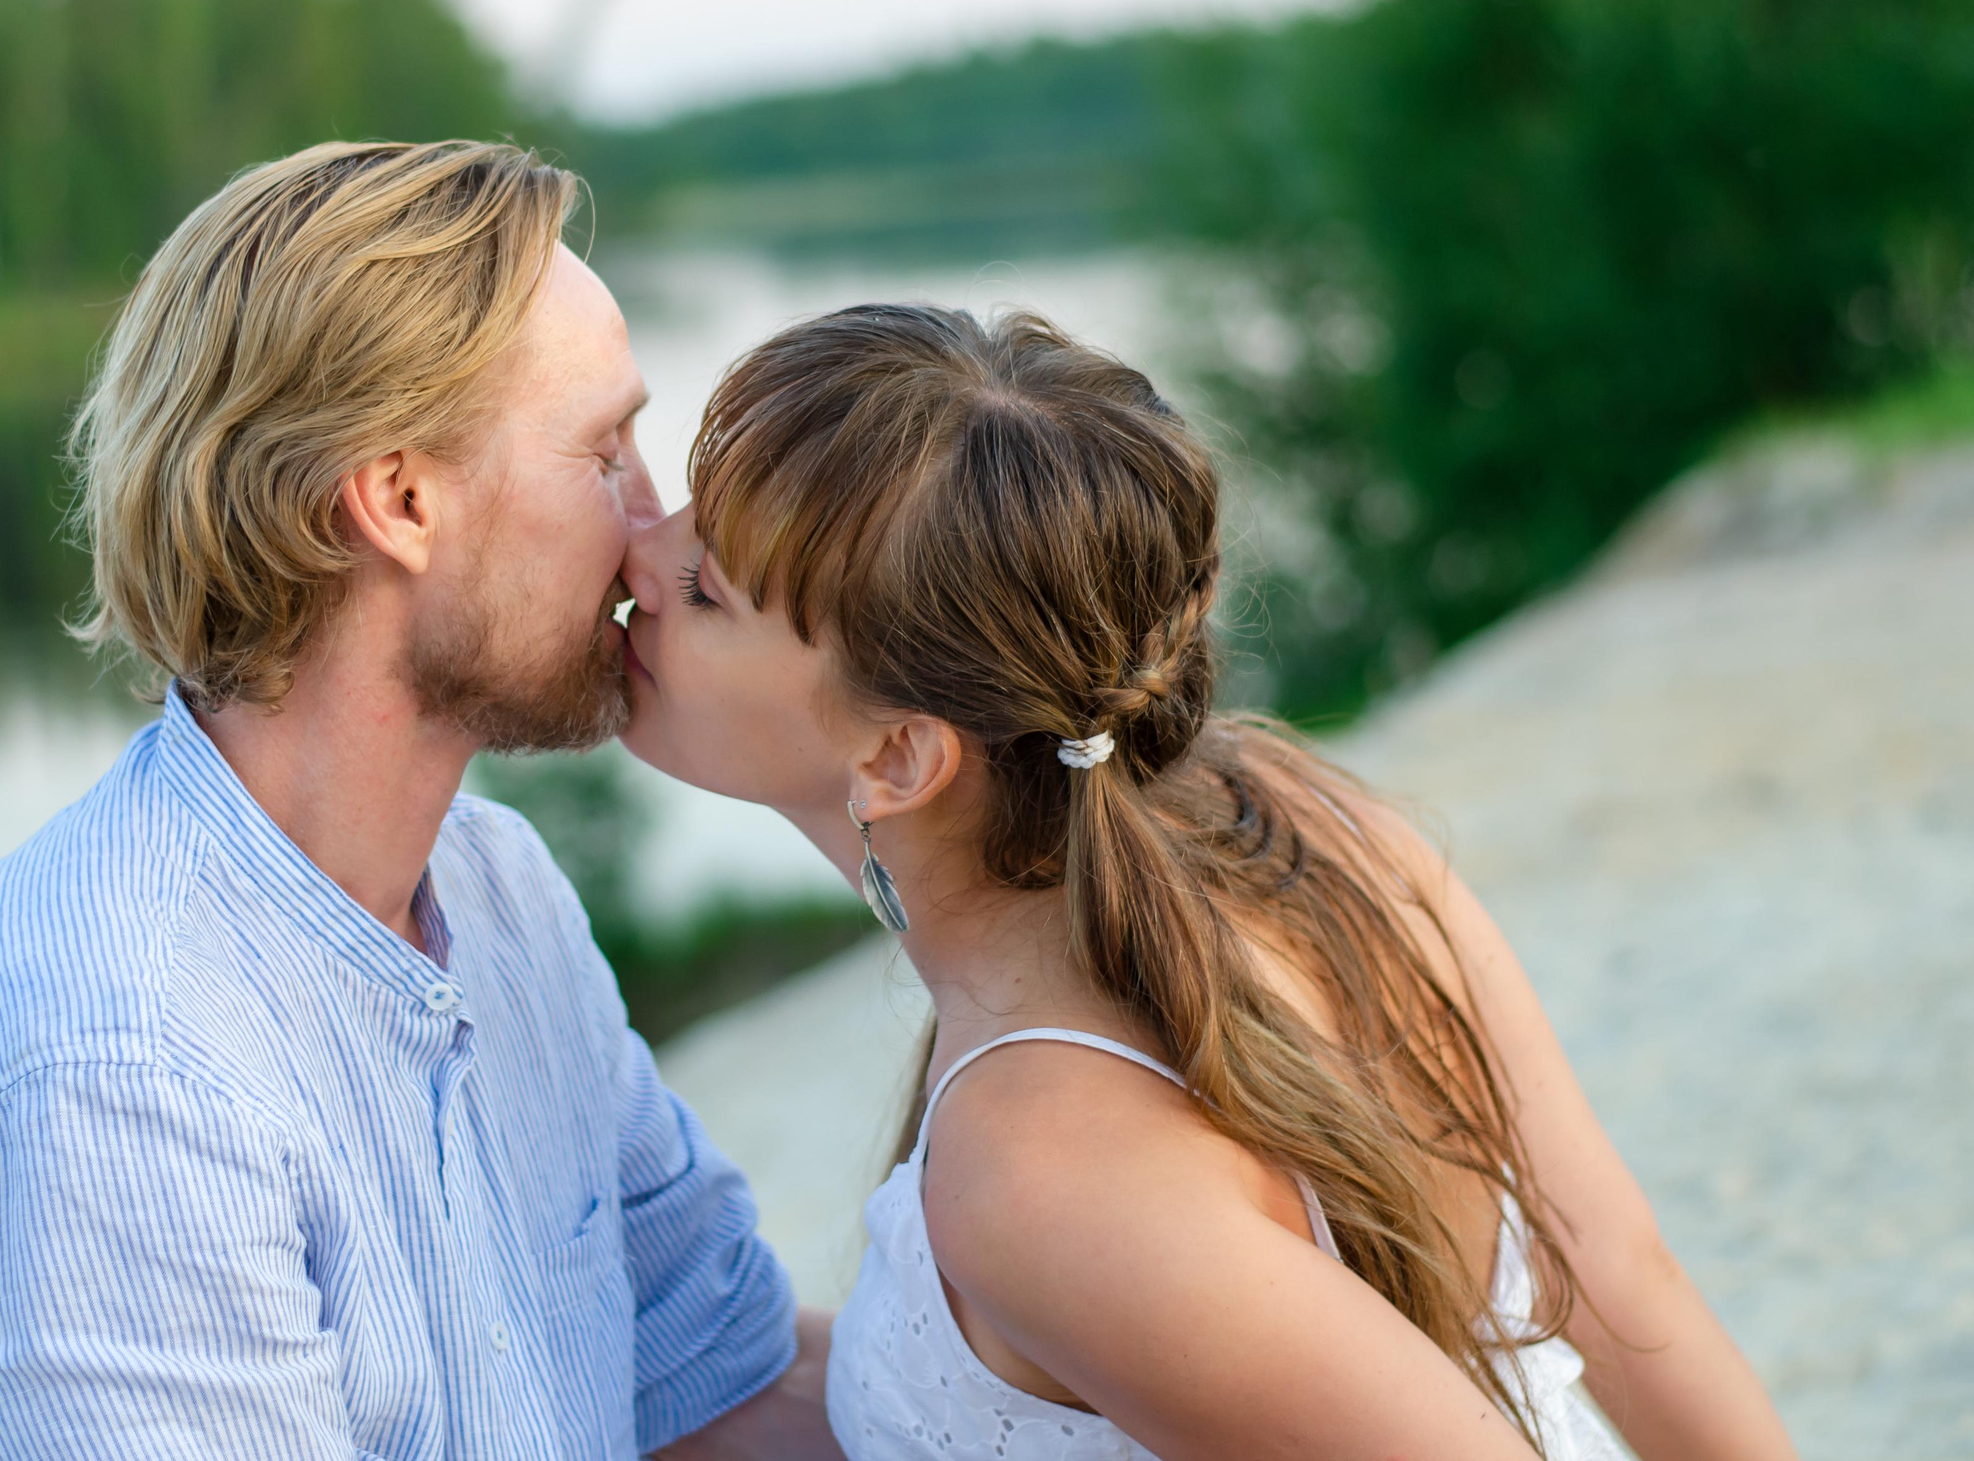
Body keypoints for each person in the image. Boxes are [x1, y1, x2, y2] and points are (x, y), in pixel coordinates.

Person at [616, 303, 1799, 1460]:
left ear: (898, 756)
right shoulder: (1294, 819)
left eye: (708, 585)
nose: (637, 550)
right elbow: (1624, 1282)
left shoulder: (1041, 1171)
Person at [0, 141, 839, 1461]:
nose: (656, 530)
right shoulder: (118, 1070)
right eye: (604, 453)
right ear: (401, 500)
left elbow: (719, 1385)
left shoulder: (496, 887)